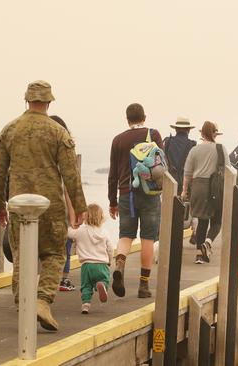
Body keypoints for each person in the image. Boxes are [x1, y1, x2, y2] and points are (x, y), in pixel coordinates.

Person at [0, 80, 87, 331]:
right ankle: (42, 301)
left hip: (19, 205)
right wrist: (80, 206)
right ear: (49, 102)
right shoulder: (57, 132)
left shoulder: (9, 130)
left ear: (26, 100)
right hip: (50, 206)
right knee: (54, 254)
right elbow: (70, 174)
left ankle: (23, 304)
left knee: (22, 255)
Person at [108, 103, 163, 298]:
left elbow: (113, 174)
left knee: (125, 235)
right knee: (148, 237)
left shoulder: (118, 140)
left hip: (126, 194)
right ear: (144, 117)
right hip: (150, 194)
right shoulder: (154, 135)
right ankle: (143, 286)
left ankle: (120, 264)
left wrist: (112, 201)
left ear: (127, 119)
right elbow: (162, 165)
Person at [182, 121, 230, 264]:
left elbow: (187, 174)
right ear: (215, 134)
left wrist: (184, 191)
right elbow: (228, 170)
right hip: (215, 187)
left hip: (197, 187)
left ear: (202, 133)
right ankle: (208, 242)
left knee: (202, 220)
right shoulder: (221, 149)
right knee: (216, 221)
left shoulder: (194, 150)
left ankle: (199, 256)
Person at [67, 204, 114, 314]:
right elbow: (110, 248)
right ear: (101, 217)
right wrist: (109, 261)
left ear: (85, 217)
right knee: (104, 280)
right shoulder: (104, 232)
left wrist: (71, 225)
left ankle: (85, 305)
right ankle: (102, 286)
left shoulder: (81, 231)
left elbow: (69, 233)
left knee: (86, 286)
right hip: (102, 264)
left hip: (86, 265)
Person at [49, 115, 78, 292]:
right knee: (65, 246)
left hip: (44, 208)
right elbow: (70, 187)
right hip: (62, 209)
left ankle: (41, 280)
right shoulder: (67, 151)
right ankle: (63, 280)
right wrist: (74, 215)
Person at [163, 117, 196, 195]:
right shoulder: (192, 145)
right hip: (186, 186)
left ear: (176, 129)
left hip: (169, 182)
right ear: (189, 130)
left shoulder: (168, 142)